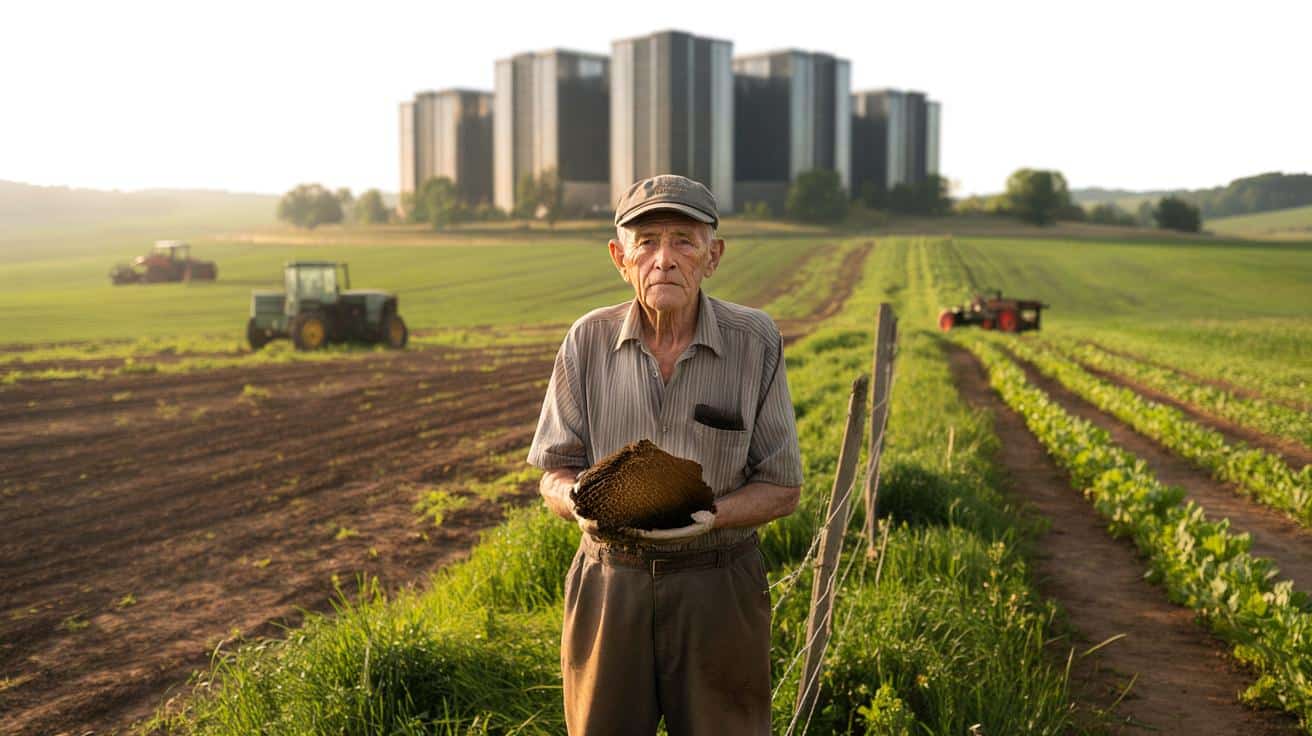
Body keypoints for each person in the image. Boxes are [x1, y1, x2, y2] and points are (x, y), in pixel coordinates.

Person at [527, 174, 803, 736]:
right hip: (611, 583)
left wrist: (707, 518)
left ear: (713, 255)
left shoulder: (755, 341)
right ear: (619, 257)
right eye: (646, 240)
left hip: (717, 585)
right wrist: (578, 501)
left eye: (683, 239)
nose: (664, 259)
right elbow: (554, 470)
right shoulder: (587, 341)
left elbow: (783, 486)